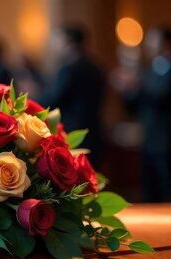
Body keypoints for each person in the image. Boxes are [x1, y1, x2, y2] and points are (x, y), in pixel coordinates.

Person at [112, 27, 171, 202]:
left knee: (166, 185)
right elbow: (135, 105)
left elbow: (161, 96)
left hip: (166, 137)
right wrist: (127, 90)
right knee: (149, 188)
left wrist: (137, 82)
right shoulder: (151, 69)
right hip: (149, 136)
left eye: (153, 40)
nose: (148, 44)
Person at [37, 26, 104, 166]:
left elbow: (53, 100)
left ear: (67, 41)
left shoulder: (69, 69)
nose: (55, 46)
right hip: (95, 132)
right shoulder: (96, 66)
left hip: (73, 132)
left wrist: (30, 98)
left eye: (57, 40)